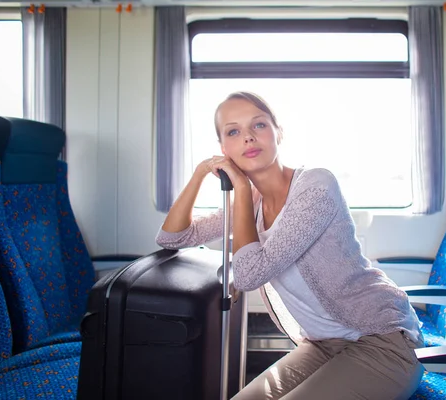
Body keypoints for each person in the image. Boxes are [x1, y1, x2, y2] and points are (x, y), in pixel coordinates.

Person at [156, 91, 425, 399]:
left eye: (258, 125)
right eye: (233, 131)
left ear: (277, 132)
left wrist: (241, 189)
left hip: (382, 340)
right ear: (223, 149)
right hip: (322, 345)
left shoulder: (316, 185)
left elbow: (249, 275)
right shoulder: (253, 203)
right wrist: (201, 173)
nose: (247, 137)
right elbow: (172, 238)